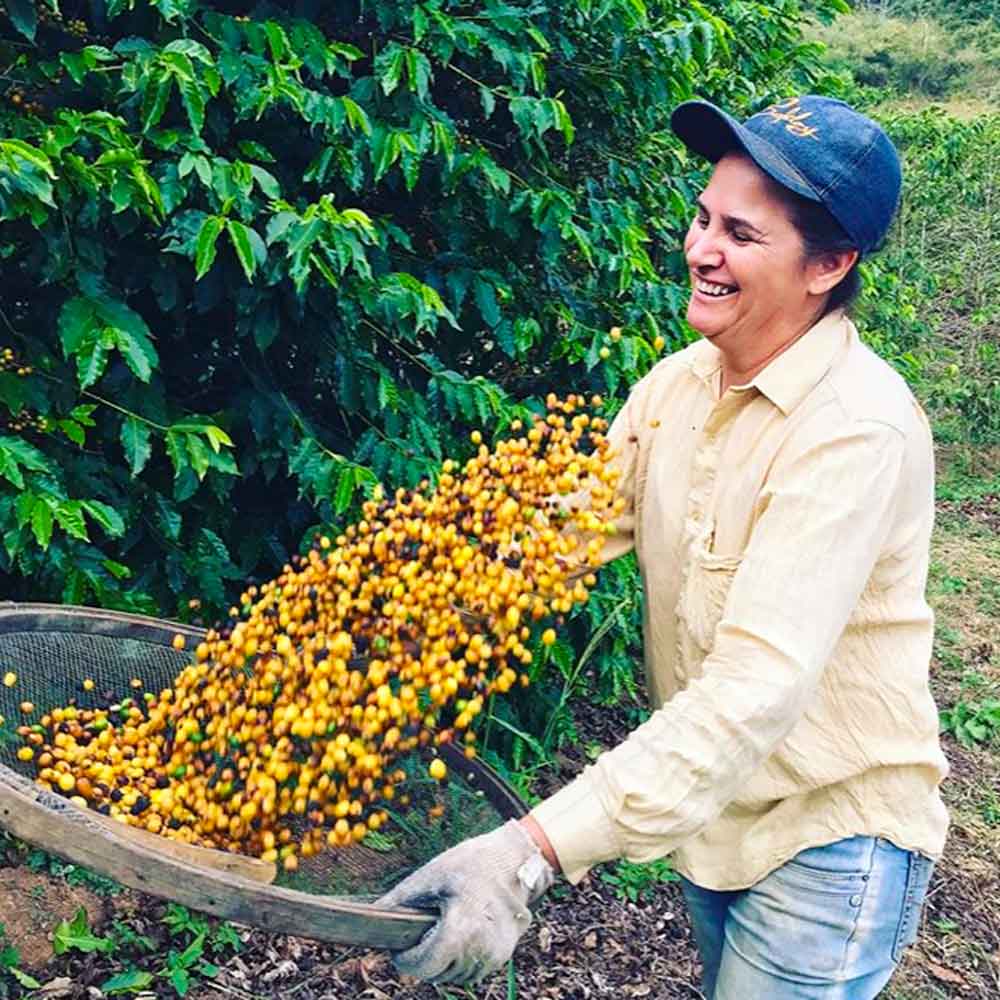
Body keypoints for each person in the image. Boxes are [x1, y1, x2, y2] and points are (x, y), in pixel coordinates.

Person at [378, 95, 950, 999]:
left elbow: (750, 692)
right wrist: (397, 613)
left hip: (829, 833)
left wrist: (526, 853)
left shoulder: (855, 431)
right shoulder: (678, 384)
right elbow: (560, 538)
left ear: (829, 265)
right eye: (701, 218)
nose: (700, 251)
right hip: (717, 815)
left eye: (741, 235)